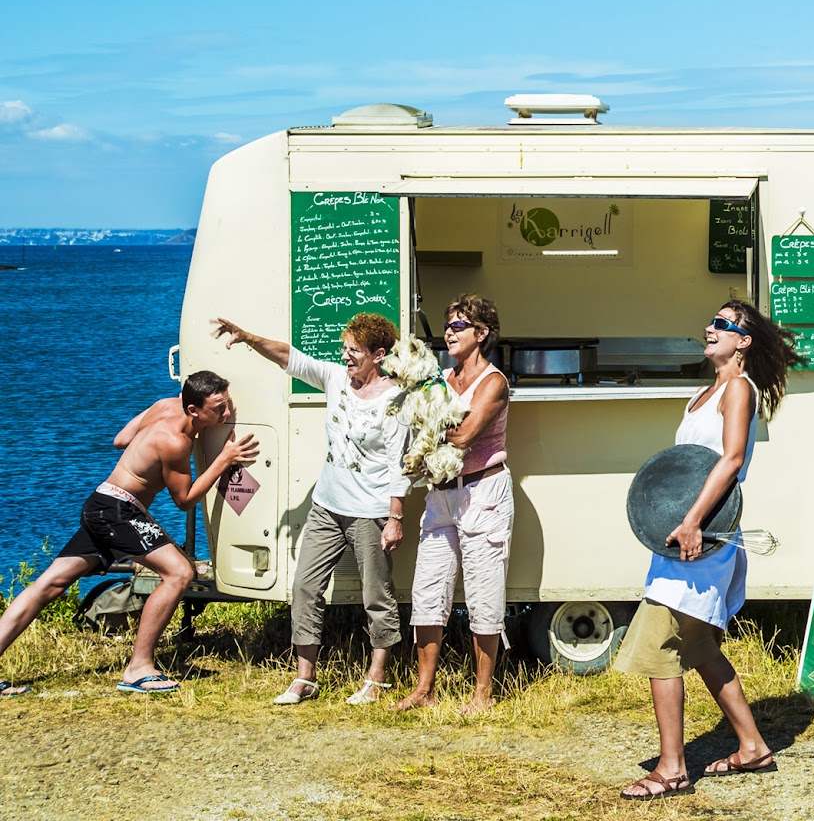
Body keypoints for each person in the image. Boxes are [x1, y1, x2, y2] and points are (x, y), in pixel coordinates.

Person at [615, 300, 799, 802]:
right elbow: (687, 466)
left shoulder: (739, 389)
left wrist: (694, 521)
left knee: (660, 647)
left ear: (744, 341)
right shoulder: (703, 393)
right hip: (684, 533)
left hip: (707, 534)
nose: (710, 328)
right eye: (712, 322)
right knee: (698, 647)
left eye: (723, 324)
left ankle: (672, 769)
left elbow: (732, 459)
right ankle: (753, 746)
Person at [0, 371, 258, 697]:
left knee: (48, 584)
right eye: (217, 409)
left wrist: (142, 457)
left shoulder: (165, 405)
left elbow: (120, 440)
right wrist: (223, 460)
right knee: (179, 573)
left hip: (101, 502)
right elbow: (185, 500)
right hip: (119, 511)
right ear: (194, 410)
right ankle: (139, 669)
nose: (225, 415)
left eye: (226, 406)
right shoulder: (176, 441)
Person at [213, 311, 409, 705]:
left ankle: (377, 678)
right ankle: (305, 677)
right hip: (327, 506)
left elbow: (398, 464)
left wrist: (394, 519)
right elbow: (291, 357)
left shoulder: (394, 401)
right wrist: (248, 336)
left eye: (354, 351)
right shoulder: (337, 379)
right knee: (304, 586)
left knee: (377, 594)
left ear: (379, 354)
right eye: (344, 349)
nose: (346, 357)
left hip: (370, 512)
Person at [398, 293, 512, 714]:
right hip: (441, 493)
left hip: (483, 493)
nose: (449, 332)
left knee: (483, 594)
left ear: (482, 334)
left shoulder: (494, 382)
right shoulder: (445, 378)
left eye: (459, 325)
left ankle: (482, 693)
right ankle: (423, 690)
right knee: (427, 590)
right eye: (448, 325)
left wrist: (427, 427)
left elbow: (464, 436)